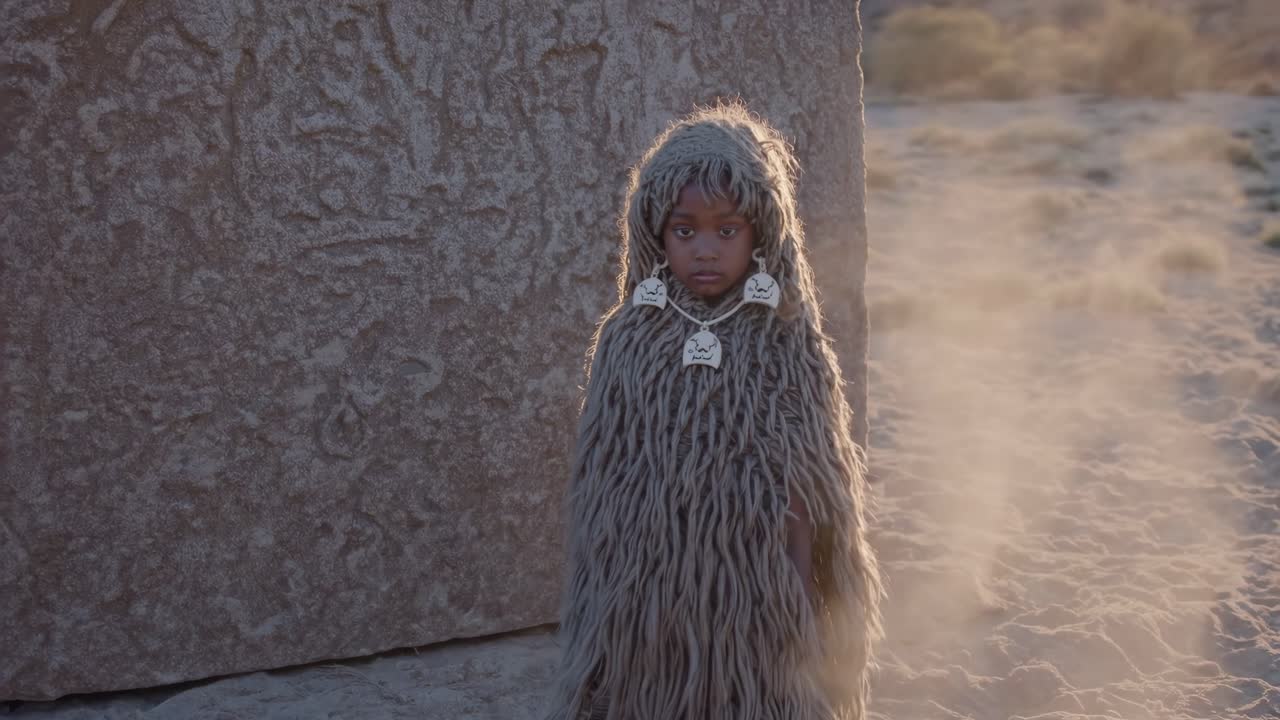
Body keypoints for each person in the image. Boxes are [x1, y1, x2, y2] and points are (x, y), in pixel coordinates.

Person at [543, 102, 883, 720]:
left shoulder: (785, 334)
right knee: (650, 684)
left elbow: (814, 467)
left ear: (762, 231)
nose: (705, 249)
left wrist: (801, 574)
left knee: (757, 686)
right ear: (654, 230)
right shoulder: (630, 334)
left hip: (760, 578)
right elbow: (606, 472)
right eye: (685, 230)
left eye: (726, 231)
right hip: (647, 583)